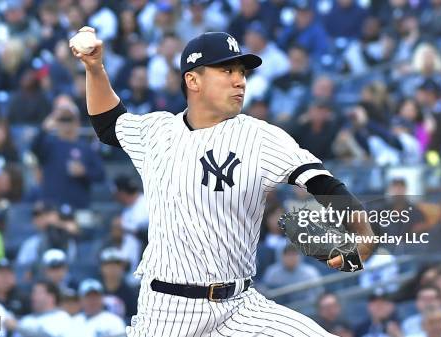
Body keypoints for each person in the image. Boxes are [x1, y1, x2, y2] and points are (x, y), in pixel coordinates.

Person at [71, 27, 374, 336]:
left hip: (240, 307)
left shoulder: (259, 137)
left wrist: (362, 230)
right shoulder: (156, 131)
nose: (239, 80)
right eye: (226, 70)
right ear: (193, 80)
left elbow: (323, 183)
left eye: (241, 72)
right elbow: (109, 123)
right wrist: (94, 68)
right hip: (166, 312)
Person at [31, 102, 105, 209]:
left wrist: (84, 172)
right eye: (62, 119)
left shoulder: (86, 148)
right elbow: (34, 148)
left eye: (69, 119)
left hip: (78, 205)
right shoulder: (49, 145)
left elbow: (101, 175)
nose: (66, 124)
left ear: (77, 122)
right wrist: (44, 128)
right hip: (52, 207)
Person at [4, 280, 73, 337]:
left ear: (51, 297)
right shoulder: (27, 319)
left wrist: (17, 327)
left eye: (38, 293)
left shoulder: (62, 317)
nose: (33, 296)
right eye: (33, 292)